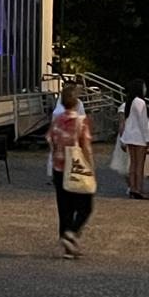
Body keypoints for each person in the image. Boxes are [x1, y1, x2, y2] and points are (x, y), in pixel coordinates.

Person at [49, 84, 96, 257]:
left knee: (64, 207)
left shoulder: (57, 121)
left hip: (59, 167)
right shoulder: (80, 123)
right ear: (76, 103)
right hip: (76, 168)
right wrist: (90, 167)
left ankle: (66, 244)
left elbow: (51, 141)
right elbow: (86, 147)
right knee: (85, 206)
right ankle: (72, 232)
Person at [118, 78, 149, 198]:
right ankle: (139, 188)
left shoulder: (129, 102)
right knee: (139, 165)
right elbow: (143, 122)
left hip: (130, 136)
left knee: (132, 164)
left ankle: (132, 187)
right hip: (139, 137)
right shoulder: (140, 102)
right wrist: (148, 139)